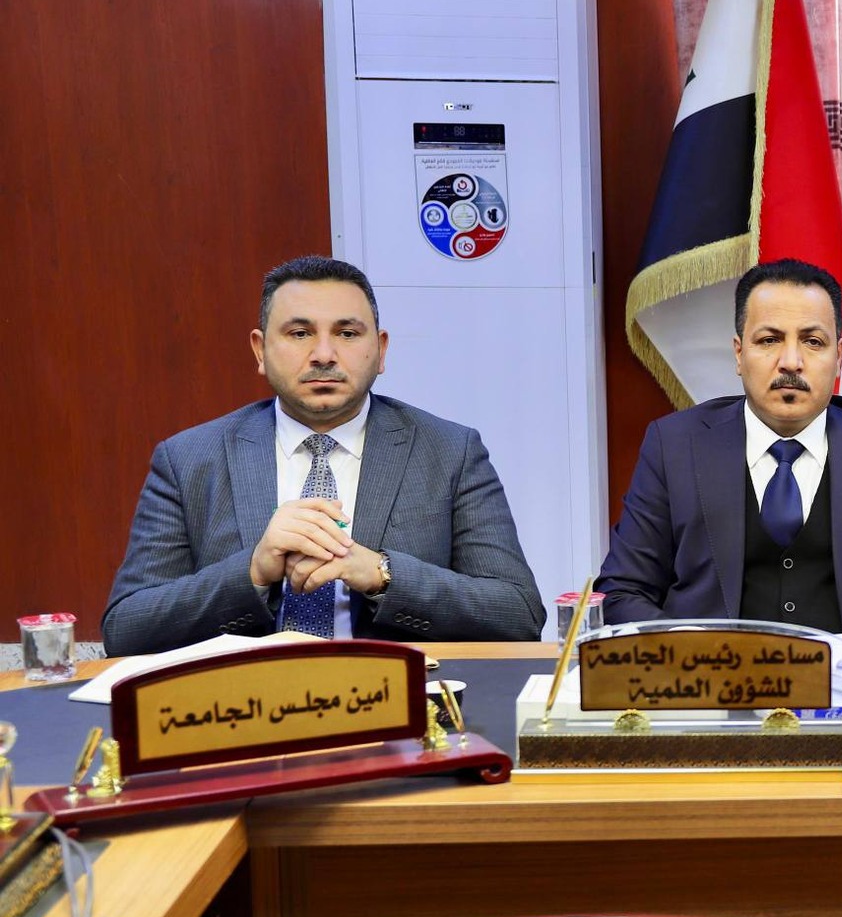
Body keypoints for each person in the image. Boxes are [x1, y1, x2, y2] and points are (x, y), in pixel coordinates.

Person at [103, 256, 546, 655]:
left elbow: (518, 614)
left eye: (347, 334)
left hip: (397, 700)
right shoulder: (189, 460)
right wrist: (253, 573)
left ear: (381, 350)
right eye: (299, 334)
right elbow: (126, 628)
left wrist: (382, 574)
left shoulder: (449, 452)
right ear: (260, 350)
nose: (323, 355)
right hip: (244, 702)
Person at [597, 258, 842, 634]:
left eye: (813, 342)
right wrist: (699, 655)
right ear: (739, 354)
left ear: (839, 358)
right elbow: (621, 592)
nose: (791, 362)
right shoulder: (675, 445)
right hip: (716, 669)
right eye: (769, 340)